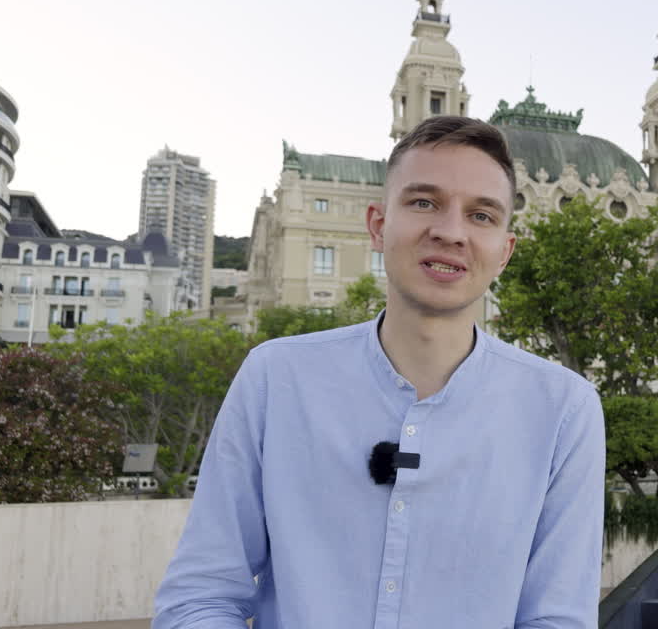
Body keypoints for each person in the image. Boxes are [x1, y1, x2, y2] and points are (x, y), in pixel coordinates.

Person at [153, 117, 606, 628]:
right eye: (424, 202)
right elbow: (202, 595)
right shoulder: (276, 379)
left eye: (481, 215)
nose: (451, 232)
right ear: (377, 226)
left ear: (504, 253)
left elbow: (558, 617)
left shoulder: (563, 410)